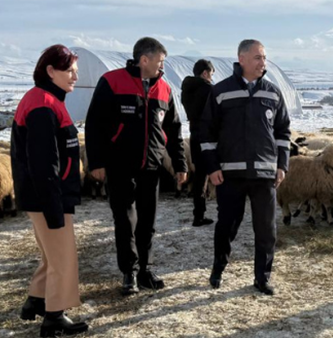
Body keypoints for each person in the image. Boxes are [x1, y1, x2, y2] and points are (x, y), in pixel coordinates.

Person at [86, 37, 187, 295]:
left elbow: (173, 130)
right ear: (145, 59)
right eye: (160, 61)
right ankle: (128, 272)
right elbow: (95, 123)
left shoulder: (164, 89)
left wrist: (179, 164)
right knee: (125, 219)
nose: (162, 66)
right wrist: (96, 162)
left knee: (148, 220)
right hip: (120, 164)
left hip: (151, 166)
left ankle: (145, 270)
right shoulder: (112, 82)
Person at [197, 39, 292, 295]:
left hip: (265, 174)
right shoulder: (221, 92)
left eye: (264, 58)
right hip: (231, 173)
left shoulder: (272, 92)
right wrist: (212, 167)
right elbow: (206, 132)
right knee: (227, 225)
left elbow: (283, 131)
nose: (263, 63)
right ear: (242, 59)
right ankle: (218, 268)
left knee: (266, 229)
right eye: (258, 57)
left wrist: (282, 164)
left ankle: (262, 277)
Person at [12, 44, 89, 338]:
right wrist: (53, 204)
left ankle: (36, 300)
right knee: (63, 258)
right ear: (50, 71)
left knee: (52, 255)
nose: (74, 77)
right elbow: (43, 162)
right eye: (69, 71)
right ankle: (55, 316)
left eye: (76, 72)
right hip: (48, 195)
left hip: (46, 194)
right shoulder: (43, 105)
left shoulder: (46, 100)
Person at [180, 59, 217, 227]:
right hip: (209, 136)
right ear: (205, 73)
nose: (211, 78)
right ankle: (223, 212)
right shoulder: (208, 90)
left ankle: (198, 215)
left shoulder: (187, 90)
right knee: (217, 172)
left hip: (195, 136)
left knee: (200, 177)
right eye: (211, 74)